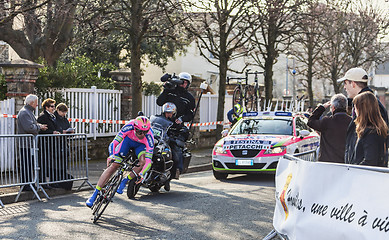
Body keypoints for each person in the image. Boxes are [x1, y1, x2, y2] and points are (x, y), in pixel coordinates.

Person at [86, 116, 154, 207]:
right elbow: (114, 143)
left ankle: (125, 180)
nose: (142, 134)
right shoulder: (129, 126)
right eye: (139, 131)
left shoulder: (149, 137)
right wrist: (111, 155)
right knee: (114, 165)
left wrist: (142, 174)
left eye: (145, 132)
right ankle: (94, 194)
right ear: (134, 128)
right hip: (128, 141)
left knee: (142, 162)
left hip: (140, 146)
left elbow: (148, 162)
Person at [337, 67, 389, 164]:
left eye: (345, 83)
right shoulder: (363, 102)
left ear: (353, 84)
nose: (344, 87)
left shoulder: (371, 105)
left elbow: (372, 152)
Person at [156, 72, 195, 178]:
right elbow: (159, 102)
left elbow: (190, 115)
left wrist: (182, 119)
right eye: (181, 81)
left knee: (175, 148)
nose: (182, 84)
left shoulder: (189, 98)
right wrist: (165, 89)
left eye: (185, 82)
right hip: (164, 123)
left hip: (176, 127)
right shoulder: (170, 91)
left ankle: (176, 170)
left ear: (188, 84)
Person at [307, 94, 352, 163]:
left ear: (333, 107)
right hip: (345, 165)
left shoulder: (327, 121)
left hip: (327, 164)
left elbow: (311, 121)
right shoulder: (352, 122)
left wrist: (322, 108)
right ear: (346, 107)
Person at [347, 92, 388, 166]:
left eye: (355, 108)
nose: (355, 111)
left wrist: (354, 170)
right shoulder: (373, 130)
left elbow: (370, 161)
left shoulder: (371, 133)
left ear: (362, 109)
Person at [17, 94, 48, 191]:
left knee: (29, 164)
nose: (37, 105)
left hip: (29, 143)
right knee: (26, 164)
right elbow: (29, 127)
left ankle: (28, 183)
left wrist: (38, 125)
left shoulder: (27, 112)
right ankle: (26, 184)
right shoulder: (25, 112)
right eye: (36, 103)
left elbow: (31, 124)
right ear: (31, 103)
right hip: (26, 144)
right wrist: (39, 127)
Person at [37, 98, 61, 188]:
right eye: (52, 106)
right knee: (43, 163)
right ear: (46, 107)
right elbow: (42, 130)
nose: (53, 108)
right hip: (44, 143)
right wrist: (52, 132)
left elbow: (57, 127)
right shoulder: (43, 116)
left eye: (54, 106)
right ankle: (42, 182)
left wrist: (58, 131)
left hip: (52, 143)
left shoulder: (53, 116)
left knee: (51, 163)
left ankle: (52, 181)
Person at [159, 102, 185, 179]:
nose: (168, 114)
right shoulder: (160, 119)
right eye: (167, 112)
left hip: (170, 141)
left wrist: (182, 132)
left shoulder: (177, 122)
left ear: (174, 113)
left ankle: (176, 171)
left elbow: (183, 129)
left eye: (170, 113)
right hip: (160, 139)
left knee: (176, 154)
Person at [53, 103, 74, 190]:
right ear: (58, 110)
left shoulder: (65, 120)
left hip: (64, 143)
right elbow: (55, 129)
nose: (64, 114)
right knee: (56, 164)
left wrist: (71, 132)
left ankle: (62, 180)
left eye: (65, 112)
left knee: (64, 163)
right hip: (56, 144)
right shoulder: (54, 118)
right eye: (62, 112)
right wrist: (62, 131)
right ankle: (56, 180)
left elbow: (67, 127)